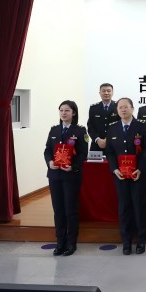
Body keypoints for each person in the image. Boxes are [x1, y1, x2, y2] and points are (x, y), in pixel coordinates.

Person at [106, 97, 146, 255]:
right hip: (120, 175)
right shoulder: (112, 128)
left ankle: (141, 240)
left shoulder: (142, 126)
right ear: (117, 110)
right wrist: (114, 169)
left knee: (139, 207)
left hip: (139, 174)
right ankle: (126, 241)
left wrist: (140, 169)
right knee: (124, 207)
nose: (123, 110)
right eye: (120, 107)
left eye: (126, 107)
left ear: (132, 109)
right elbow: (110, 152)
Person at [43, 100, 88, 257]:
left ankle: (71, 243)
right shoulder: (54, 129)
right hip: (55, 175)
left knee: (70, 210)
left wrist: (73, 166)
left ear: (73, 112)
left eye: (67, 110)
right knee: (58, 210)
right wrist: (49, 162)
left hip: (71, 175)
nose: (63, 113)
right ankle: (60, 242)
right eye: (61, 110)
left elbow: (83, 153)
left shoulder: (80, 131)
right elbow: (47, 150)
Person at [87, 83, 118, 152]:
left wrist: (109, 139)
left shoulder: (118, 106)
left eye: (108, 91)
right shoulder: (93, 108)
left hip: (114, 145)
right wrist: (97, 139)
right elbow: (90, 127)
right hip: (97, 145)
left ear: (112, 92)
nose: (106, 93)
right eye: (103, 91)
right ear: (99, 93)